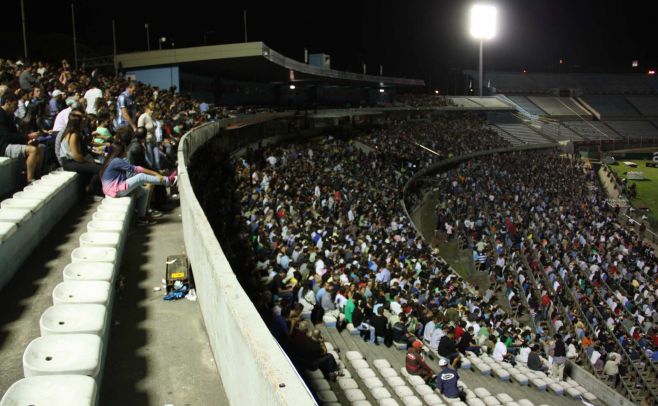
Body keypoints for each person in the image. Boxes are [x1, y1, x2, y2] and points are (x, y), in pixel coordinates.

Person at [99, 142, 176, 225]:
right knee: (141, 177)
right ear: (120, 152)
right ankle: (168, 181)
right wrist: (155, 173)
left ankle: (141, 218)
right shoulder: (116, 161)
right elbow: (136, 169)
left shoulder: (111, 160)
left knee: (144, 192)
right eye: (125, 150)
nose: (126, 152)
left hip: (113, 189)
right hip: (115, 190)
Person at [0, 93, 43, 182]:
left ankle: (37, 175)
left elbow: (15, 133)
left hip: (10, 143)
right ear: (7, 102)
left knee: (40, 148)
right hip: (3, 146)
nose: (16, 108)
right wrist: (27, 136)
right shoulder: (1, 115)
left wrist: (27, 140)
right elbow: (7, 136)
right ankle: (30, 179)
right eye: (15, 105)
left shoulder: (10, 115)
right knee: (33, 150)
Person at [58, 110, 101, 198]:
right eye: (82, 122)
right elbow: (76, 155)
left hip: (71, 161)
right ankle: (91, 192)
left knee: (96, 166)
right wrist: (87, 161)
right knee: (99, 169)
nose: (84, 124)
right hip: (69, 162)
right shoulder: (73, 135)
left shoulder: (71, 132)